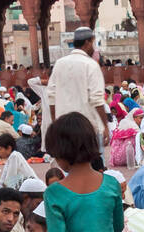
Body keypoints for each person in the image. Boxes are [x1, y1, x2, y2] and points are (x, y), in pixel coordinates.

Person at [45, 28, 110, 162]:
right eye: (93, 43)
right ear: (87, 42)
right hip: (87, 127)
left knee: (69, 168)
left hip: (64, 127)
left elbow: (51, 96)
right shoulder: (91, 65)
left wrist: (55, 123)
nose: (93, 47)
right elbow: (97, 99)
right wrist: (105, 127)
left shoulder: (59, 64)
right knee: (94, 169)